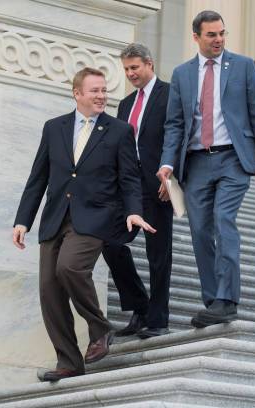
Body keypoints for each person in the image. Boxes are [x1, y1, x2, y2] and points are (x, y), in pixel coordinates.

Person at [12, 67, 155, 381]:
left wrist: (133, 210)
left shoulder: (119, 131)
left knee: (70, 268)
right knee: (49, 290)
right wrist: (23, 220)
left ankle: (100, 328)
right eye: (95, 91)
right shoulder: (54, 128)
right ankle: (69, 361)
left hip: (96, 218)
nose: (102, 96)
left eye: (104, 90)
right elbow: (38, 179)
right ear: (77, 94)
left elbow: (130, 178)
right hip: (55, 217)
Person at [157, 10, 255, 328]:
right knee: (199, 232)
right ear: (196, 37)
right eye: (211, 34)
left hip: (233, 159)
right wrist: (167, 163)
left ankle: (227, 299)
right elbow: (175, 124)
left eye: (222, 33)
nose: (219, 39)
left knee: (224, 221)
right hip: (194, 163)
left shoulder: (244, 67)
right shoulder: (182, 75)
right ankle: (213, 299)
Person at [103, 43, 174, 339]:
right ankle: (139, 307)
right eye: (127, 69)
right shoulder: (125, 104)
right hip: (128, 188)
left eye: (135, 67)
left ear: (150, 64)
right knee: (110, 242)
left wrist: (172, 179)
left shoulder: (170, 94)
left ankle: (157, 319)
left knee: (158, 253)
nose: (131, 74)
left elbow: (178, 136)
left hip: (158, 185)